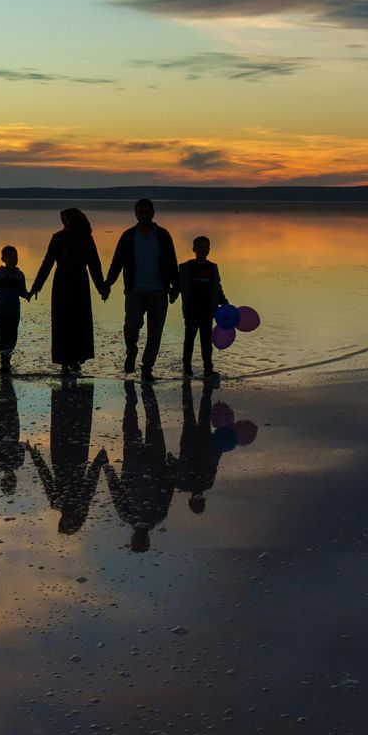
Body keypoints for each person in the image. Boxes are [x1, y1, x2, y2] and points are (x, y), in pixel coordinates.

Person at [104, 198, 179, 381]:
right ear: (136, 214)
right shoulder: (128, 236)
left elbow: (171, 262)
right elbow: (117, 262)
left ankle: (147, 367)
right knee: (131, 326)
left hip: (159, 292)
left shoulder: (162, 235)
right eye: (141, 213)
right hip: (134, 291)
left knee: (155, 332)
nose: (144, 215)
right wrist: (108, 284)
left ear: (153, 213)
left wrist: (176, 287)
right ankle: (131, 351)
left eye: (147, 212)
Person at [29, 208, 107, 376]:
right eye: (63, 220)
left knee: (79, 322)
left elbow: (95, 264)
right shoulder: (57, 238)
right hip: (62, 284)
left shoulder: (86, 239)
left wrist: (101, 288)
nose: (65, 224)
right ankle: (64, 361)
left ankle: (76, 359)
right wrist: (36, 286)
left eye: (67, 220)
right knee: (62, 323)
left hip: (79, 283)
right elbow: (47, 263)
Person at [103, 379, 175, 551]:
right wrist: (107, 469)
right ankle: (132, 395)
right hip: (137, 464)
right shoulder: (130, 516)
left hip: (150, 463)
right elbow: (116, 490)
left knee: (153, 422)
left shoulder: (157, 516)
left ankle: (146, 389)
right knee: (132, 428)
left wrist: (171, 465)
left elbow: (168, 487)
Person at [28, 380, 106, 534]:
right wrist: (34, 455)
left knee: (79, 422)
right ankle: (63, 388)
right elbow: (45, 475)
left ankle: (77, 387)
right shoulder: (57, 502)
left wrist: (99, 460)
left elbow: (91, 480)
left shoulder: (78, 502)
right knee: (61, 421)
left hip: (77, 457)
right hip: (61, 457)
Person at [176, 235, 230, 380]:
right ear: (194, 249)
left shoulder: (212, 268)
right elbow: (178, 285)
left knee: (206, 341)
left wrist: (223, 301)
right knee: (189, 340)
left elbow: (217, 287)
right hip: (191, 311)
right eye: (200, 247)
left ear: (209, 250)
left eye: (206, 247)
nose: (203, 250)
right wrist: (172, 294)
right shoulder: (186, 267)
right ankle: (187, 367)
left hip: (208, 311)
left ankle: (208, 368)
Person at [175, 380, 221, 514]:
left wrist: (217, 446)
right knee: (191, 412)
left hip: (198, 442)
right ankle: (188, 384)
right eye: (199, 500)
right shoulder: (185, 484)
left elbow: (214, 462)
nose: (198, 498)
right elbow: (214, 462)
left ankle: (202, 387)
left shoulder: (206, 484)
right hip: (195, 442)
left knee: (200, 413)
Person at [0, 245, 29, 371]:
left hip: (14, 311)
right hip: (0, 311)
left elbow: (22, 291)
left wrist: (27, 295)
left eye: (15, 257)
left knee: (12, 336)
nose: (13, 260)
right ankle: (4, 360)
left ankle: (7, 357)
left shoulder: (20, 275)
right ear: (3, 259)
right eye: (10, 258)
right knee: (1, 336)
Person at [0, 370, 26, 497]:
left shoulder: (18, 463)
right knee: (2, 403)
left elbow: (21, 447)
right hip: (0, 431)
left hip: (12, 431)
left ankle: (7, 378)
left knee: (12, 404)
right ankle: (5, 378)